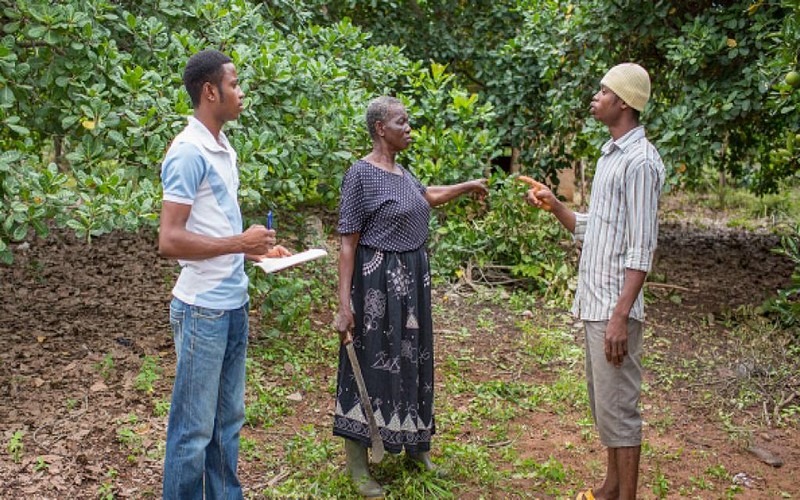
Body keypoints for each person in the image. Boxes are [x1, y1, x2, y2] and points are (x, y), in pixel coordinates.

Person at [332, 96, 488, 498]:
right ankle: (358, 464)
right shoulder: (360, 175)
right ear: (380, 128)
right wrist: (343, 304)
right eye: (402, 122)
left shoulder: (402, 172)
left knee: (414, 359)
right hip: (376, 285)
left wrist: (468, 186)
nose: (409, 127)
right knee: (371, 363)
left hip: (413, 282)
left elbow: (428, 196)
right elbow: (347, 244)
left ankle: (416, 445)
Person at [525, 63, 664, 500]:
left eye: (603, 92)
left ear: (623, 102)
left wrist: (620, 316)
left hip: (613, 308)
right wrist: (556, 206)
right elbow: (597, 227)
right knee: (605, 403)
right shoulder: (611, 155)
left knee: (620, 408)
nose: (595, 97)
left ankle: (626, 497)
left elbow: (642, 247)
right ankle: (609, 486)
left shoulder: (640, 163)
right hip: (596, 302)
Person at [158, 49, 290, 499]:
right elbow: (170, 240)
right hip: (202, 311)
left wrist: (256, 251)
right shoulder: (188, 152)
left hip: (233, 305)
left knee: (227, 424)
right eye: (234, 84)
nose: (240, 93)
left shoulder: (222, 148)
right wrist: (238, 242)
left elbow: (212, 229)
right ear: (210, 91)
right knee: (192, 432)